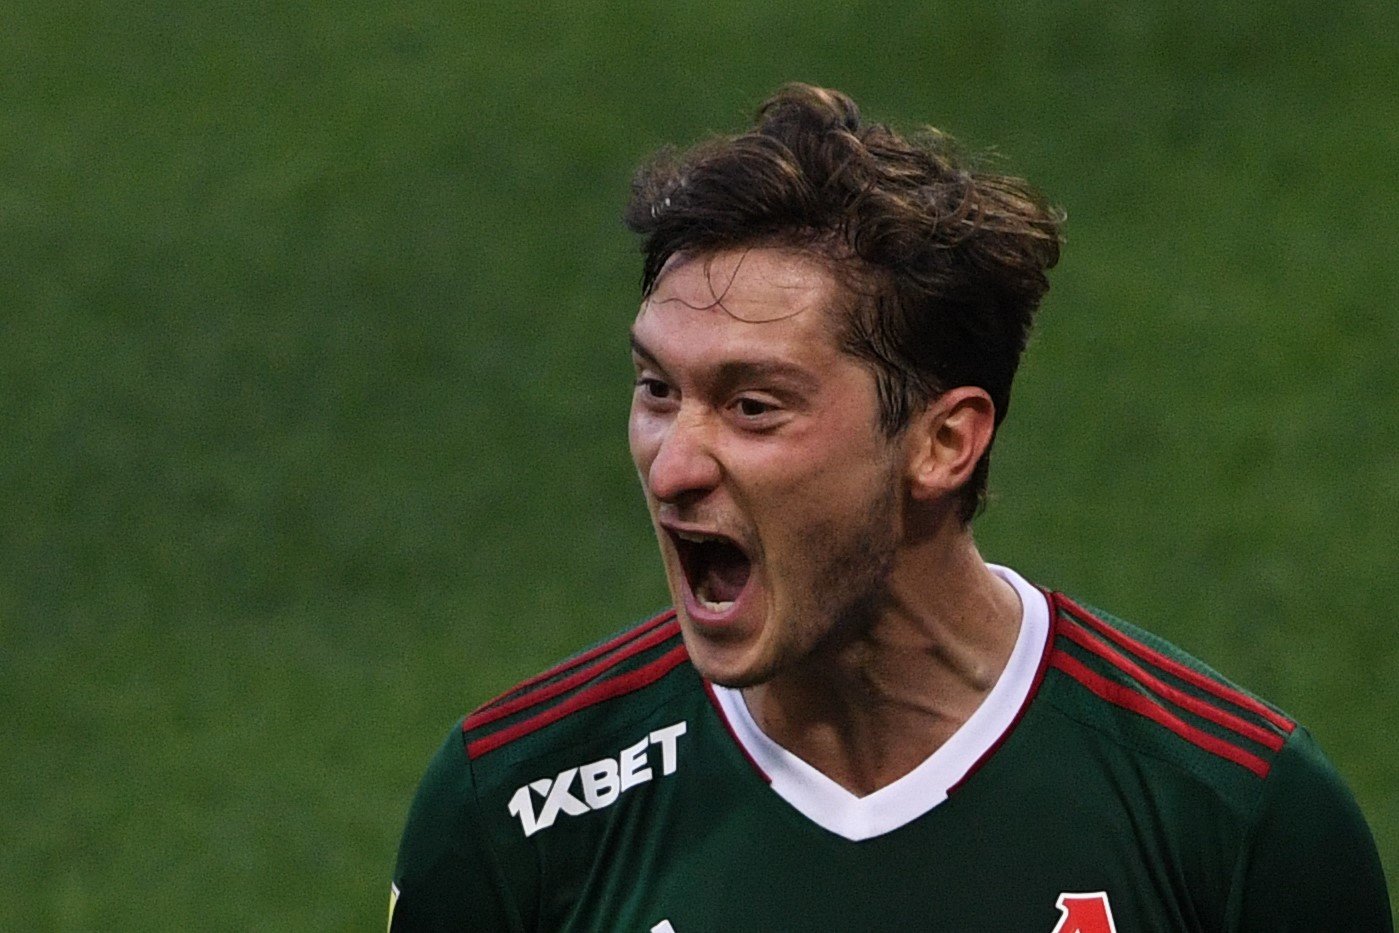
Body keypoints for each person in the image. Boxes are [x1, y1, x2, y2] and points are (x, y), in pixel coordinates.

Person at [389, 84, 1391, 931]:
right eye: (657, 391)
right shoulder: (511, 809)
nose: (672, 466)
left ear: (941, 443)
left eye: (752, 406)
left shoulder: (1234, 816)